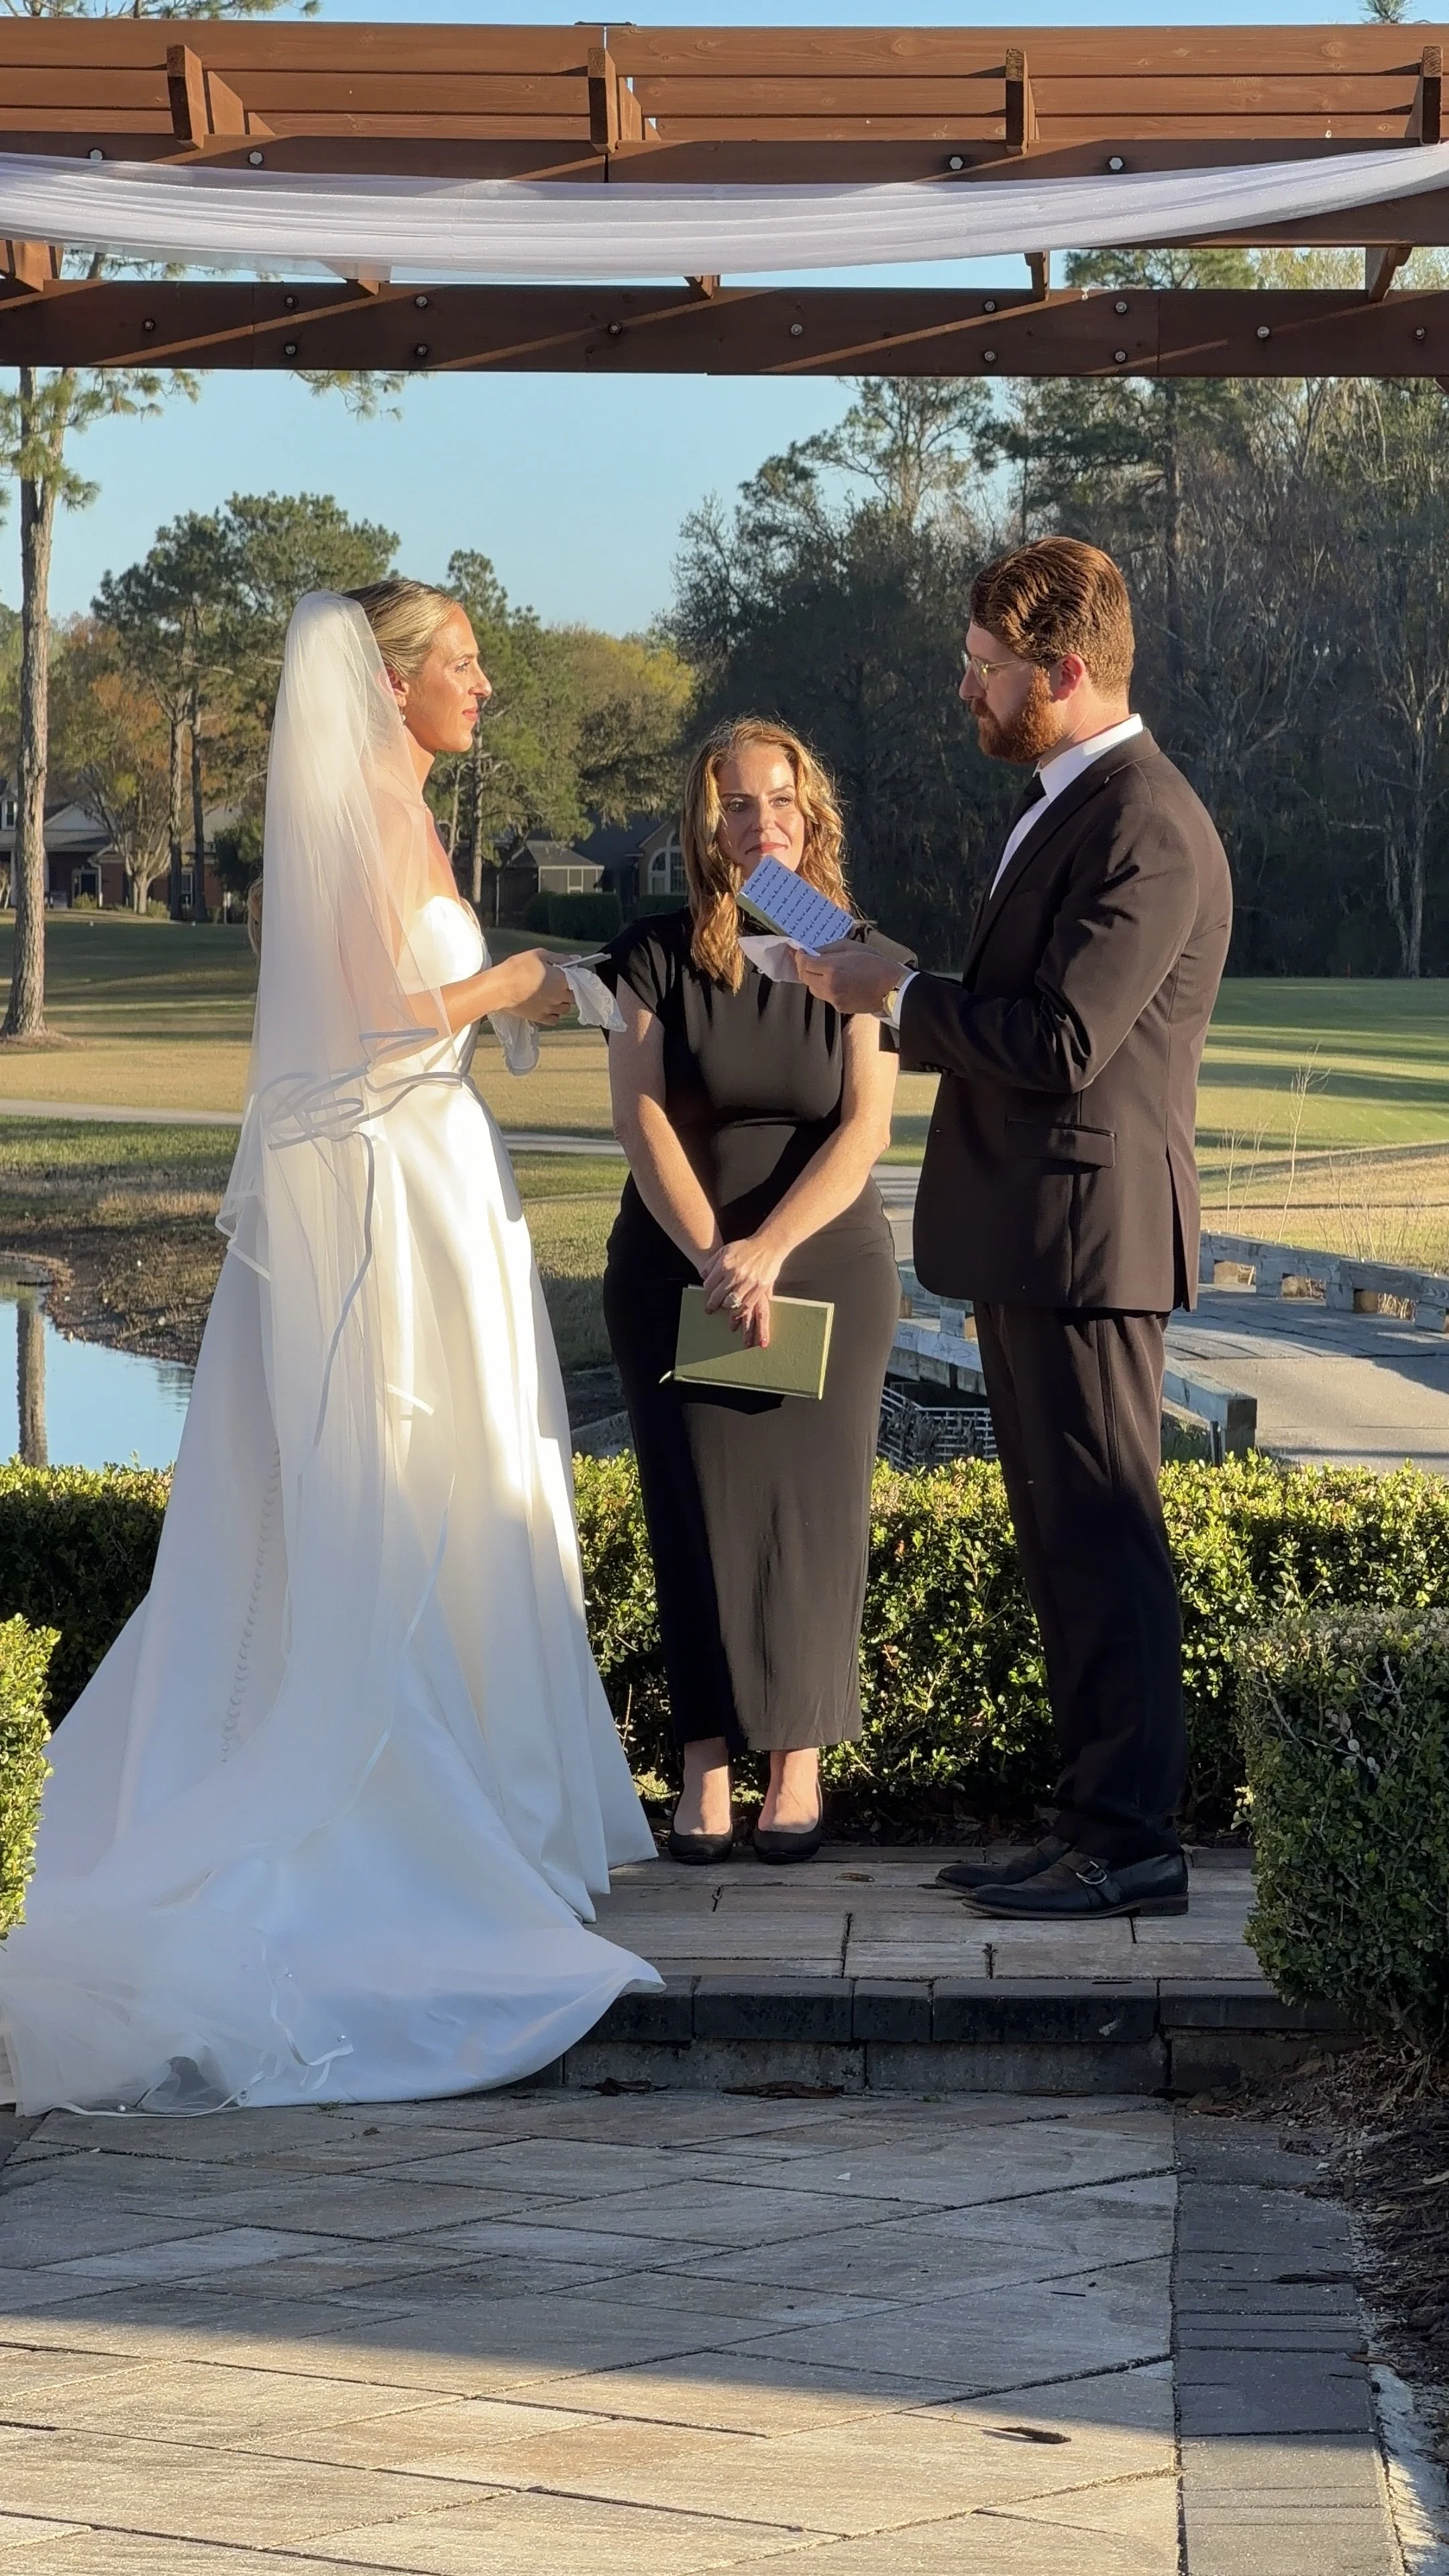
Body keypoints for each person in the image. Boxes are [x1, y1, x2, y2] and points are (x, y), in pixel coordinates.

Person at [0, 580, 660, 2116]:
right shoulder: (358, 816)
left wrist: (530, 997)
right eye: (467, 664)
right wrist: (517, 983)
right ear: (392, 680)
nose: (486, 688)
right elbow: (376, 1018)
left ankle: (518, 1809)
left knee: (478, 1467)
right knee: (400, 1485)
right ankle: (400, 1818)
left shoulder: (406, 812)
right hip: (384, 1192)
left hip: (435, 1172)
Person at [796, 538, 1232, 1920]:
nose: (964, 692)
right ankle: (1086, 1819)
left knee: (1106, 1539)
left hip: (1093, 1241)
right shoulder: (1071, 801)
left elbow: (1065, 1040)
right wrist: (884, 980)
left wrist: (897, 994)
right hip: (1037, 1234)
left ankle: (1133, 1843)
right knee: (1061, 1543)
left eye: (985, 672)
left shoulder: (1145, 822)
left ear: (1066, 670)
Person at [602, 718, 900, 1865]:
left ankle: (799, 1767)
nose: (760, 821)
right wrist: (717, 1251)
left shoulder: (857, 955)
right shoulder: (655, 953)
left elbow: (868, 1124)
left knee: (812, 1525)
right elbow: (639, 1116)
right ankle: (704, 1768)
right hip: (682, 1264)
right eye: (737, 805)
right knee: (695, 1516)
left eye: (781, 801)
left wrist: (769, 1245)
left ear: (810, 814)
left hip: (822, 1262)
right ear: (705, 825)